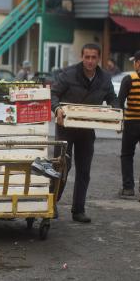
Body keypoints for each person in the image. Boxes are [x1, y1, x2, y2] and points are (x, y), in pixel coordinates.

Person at [52, 43, 118, 223]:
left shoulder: (104, 78)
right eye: (87, 57)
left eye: (93, 58)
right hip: (65, 127)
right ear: (82, 57)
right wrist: (57, 108)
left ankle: (78, 210)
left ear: (99, 58)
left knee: (84, 170)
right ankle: (51, 204)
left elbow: (112, 98)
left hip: (87, 129)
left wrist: (117, 111)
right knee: (61, 166)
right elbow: (54, 93)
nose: (90, 61)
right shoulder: (68, 74)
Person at [118, 50, 140, 198]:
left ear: (137, 63)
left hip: (132, 122)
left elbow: (119, 102)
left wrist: (119, 122)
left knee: (127, 155)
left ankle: (128, 188)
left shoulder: (129, 79)